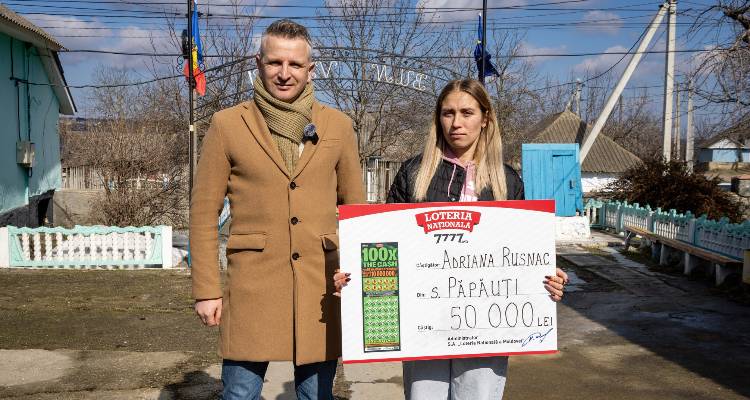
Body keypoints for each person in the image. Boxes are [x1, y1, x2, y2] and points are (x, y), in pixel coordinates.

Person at [334, 79, 568, 400]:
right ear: (438, 118)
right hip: (423, 324)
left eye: (467, 113)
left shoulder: (507, 181)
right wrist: (357, 279)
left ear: (485, 118)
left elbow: (523, 255)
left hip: (486, 328)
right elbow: (384, 247)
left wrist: (546, 278)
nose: (456, 123)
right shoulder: (413, 174)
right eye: (448, 113)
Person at [190, 19, 365, 400]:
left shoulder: (338, 126)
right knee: (239, 394)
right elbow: (203, 213)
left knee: (316, 396)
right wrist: (206, 290)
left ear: (310, 69)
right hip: (252, 287)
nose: (284, 73)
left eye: (295, 64)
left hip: (320, 289)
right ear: (259, 63)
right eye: (275, 62)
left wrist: (359, 280)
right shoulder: (227, 125)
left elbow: (357, 213)